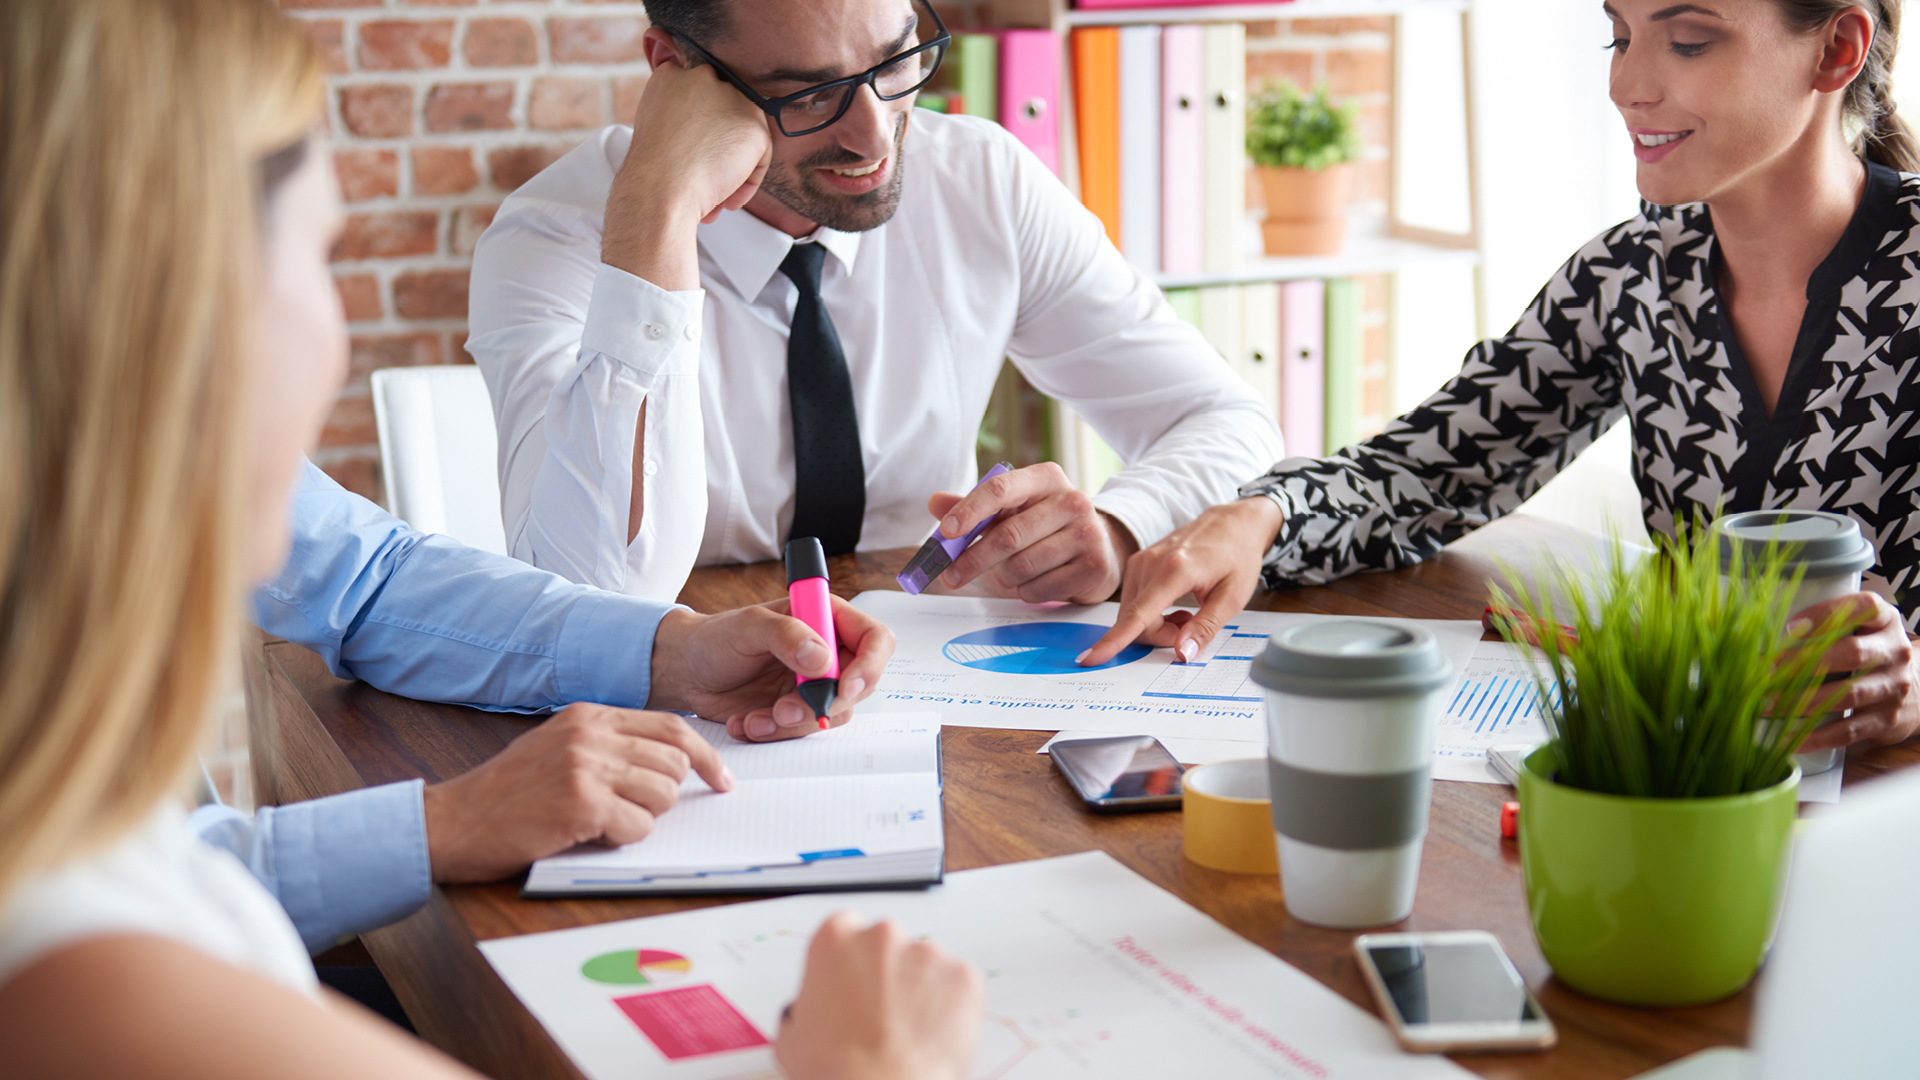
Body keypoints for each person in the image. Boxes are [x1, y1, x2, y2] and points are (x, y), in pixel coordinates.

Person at [0, 2, 982, 1076]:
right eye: (320, 259)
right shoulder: (86, 978)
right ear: (165, 320)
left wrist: (658, 661)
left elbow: (362, 584)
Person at [1085, 0, 1919, 754]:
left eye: (1690, 42)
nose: (1628, 84)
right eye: (1618, 37)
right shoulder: (1631, 276)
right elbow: (1421, 474)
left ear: (1837, 50)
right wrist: (1263, 515)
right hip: (1699, 791)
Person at [466, 0, 1285, 605]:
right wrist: (656, 211)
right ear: (673, 72)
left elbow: (1229, 423)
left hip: (940, 679)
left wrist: (1118, 524)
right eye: (810, 94)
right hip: (687, 710)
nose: (875, 135)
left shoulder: (979, 180)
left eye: (896, 62)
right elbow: (592, 591)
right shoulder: (558, 238)